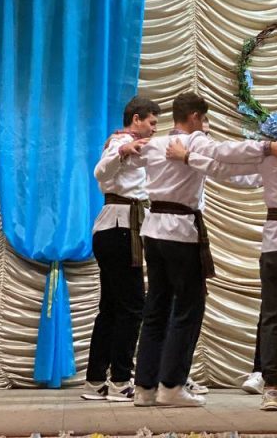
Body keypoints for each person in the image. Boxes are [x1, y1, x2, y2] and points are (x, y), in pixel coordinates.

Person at [166, 94, 277, 411]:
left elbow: (226, 171)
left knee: (272, 320)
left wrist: (188, 158)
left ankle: (272, 390)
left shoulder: (267, 154)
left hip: (276, 247)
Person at [121, 92, 277, 408]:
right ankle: (171, 384)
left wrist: (120, 146)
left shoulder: (156, 143)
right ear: (195, 117)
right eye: (203, 119)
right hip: (179, 232)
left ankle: (145, 387)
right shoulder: (195, 141)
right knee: (188, 307)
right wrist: (267, 147)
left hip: (153, 231)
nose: (205, 125)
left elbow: (126, 159)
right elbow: (226, 152)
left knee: (156, 308)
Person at [82, 96, 159, 402]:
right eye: (151, 122)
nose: (154, 128)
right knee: (132, 307)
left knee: (112, 308)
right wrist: (123, 151)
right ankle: (120, 380)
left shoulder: (135, 144)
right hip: (120, 229)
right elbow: (100, 172)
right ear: (136, 119)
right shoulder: (120, 141)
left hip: (118, 229)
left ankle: (96, 380)